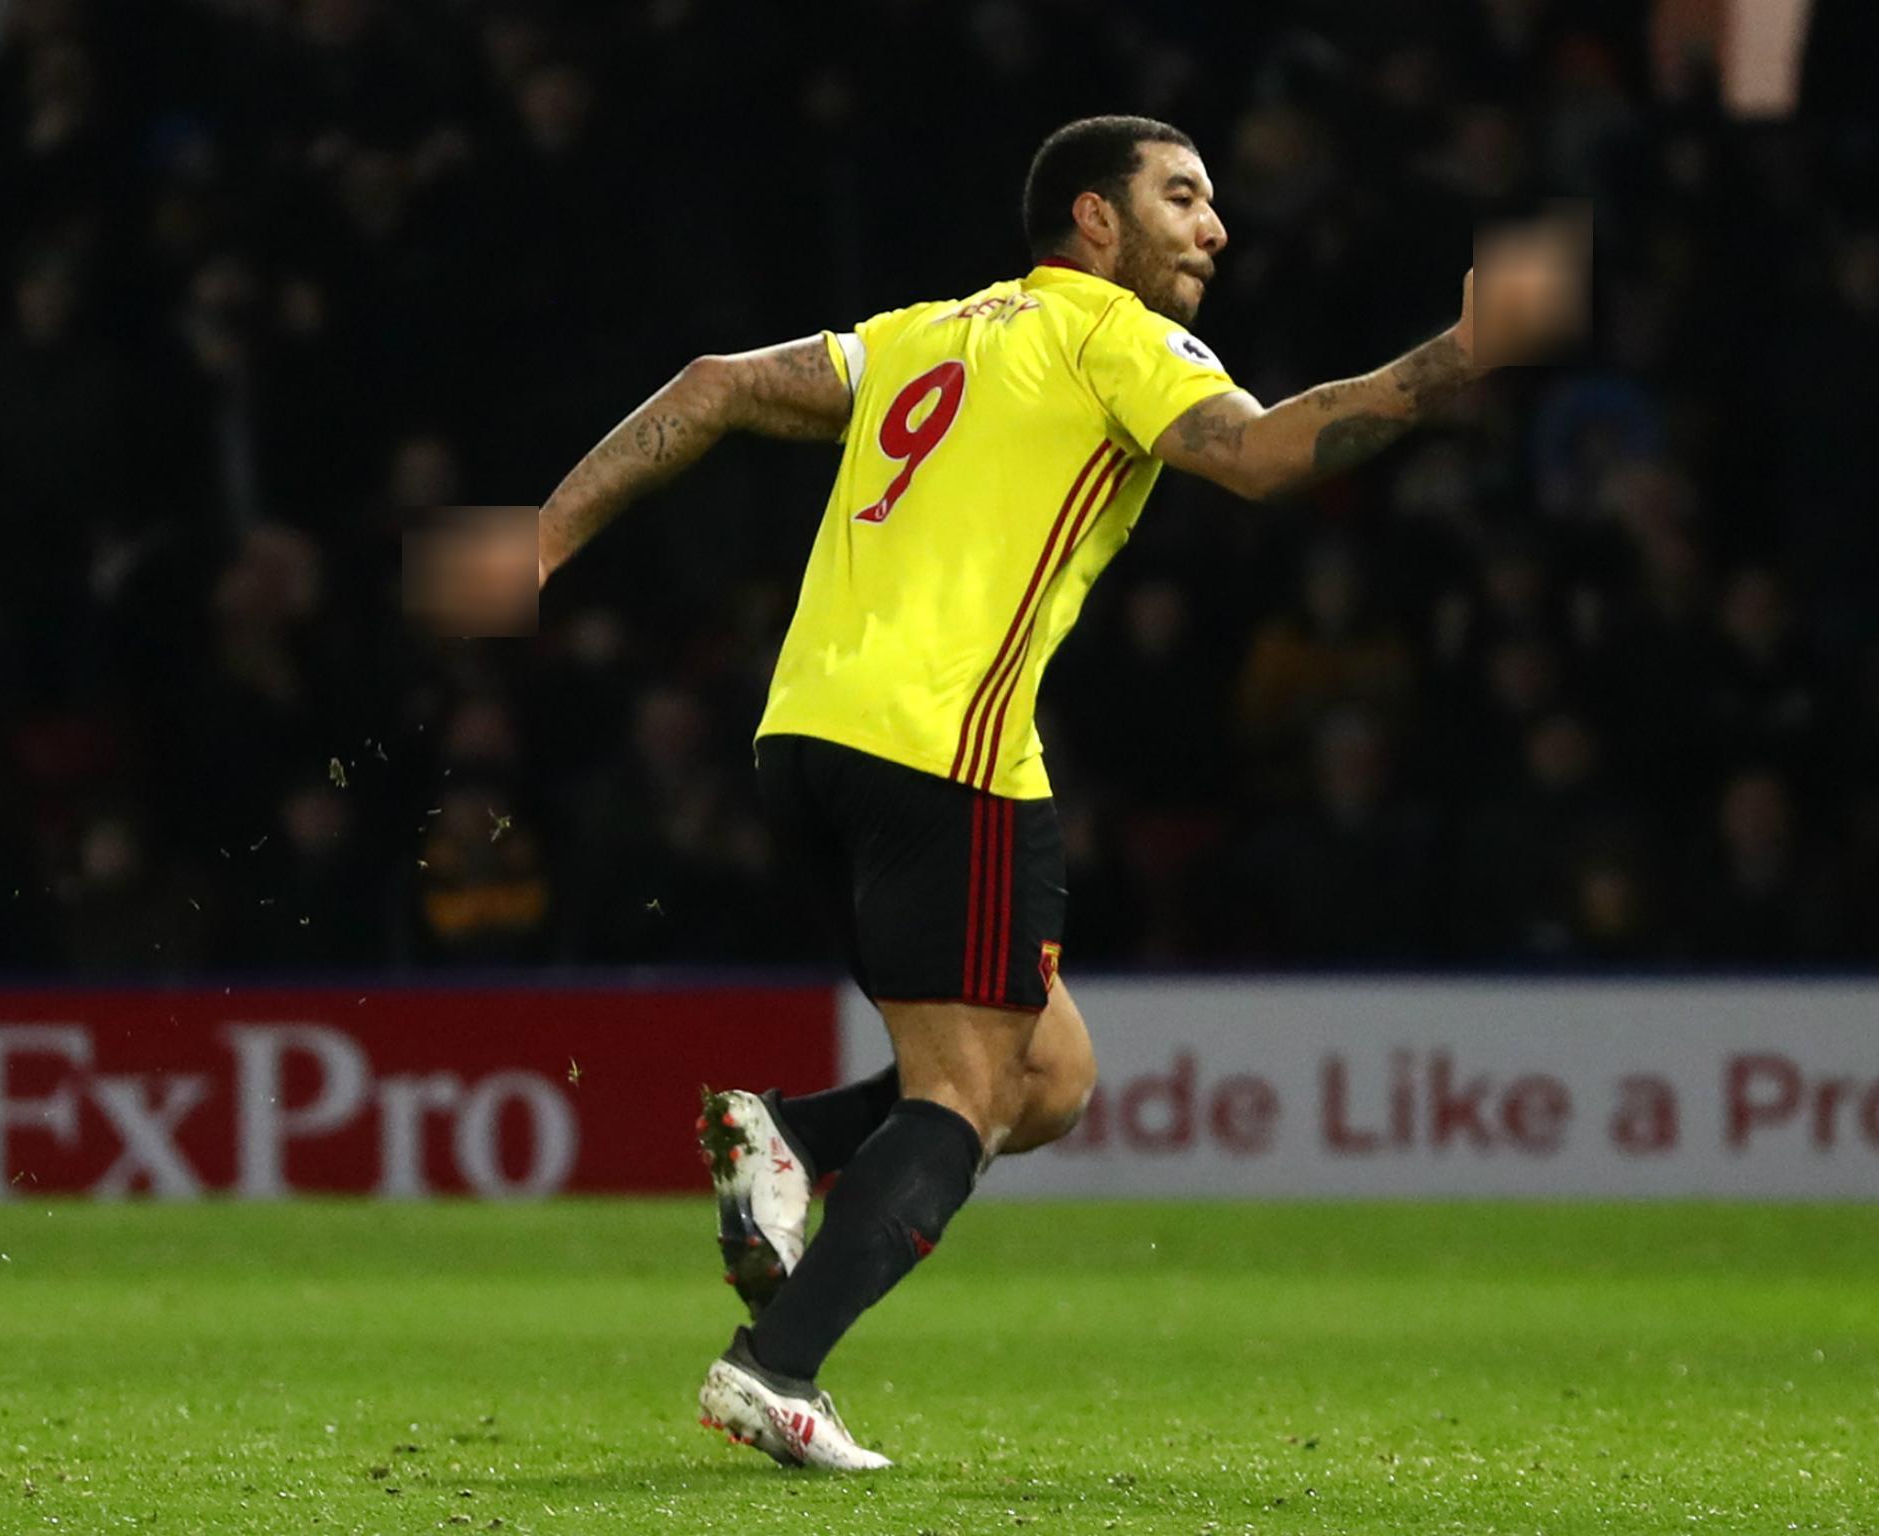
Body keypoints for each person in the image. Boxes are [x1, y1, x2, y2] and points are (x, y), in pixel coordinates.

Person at [534, 115, 1586, 1469]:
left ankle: (785, 1135)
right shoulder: (1115, 337)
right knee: (967, 1098)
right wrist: (1463, 353)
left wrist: (532, 548)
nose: (1216, 228)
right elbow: (1267, 458)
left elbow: (714, 382)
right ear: (1095, 222)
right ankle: (774, 1370)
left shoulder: (923, 331)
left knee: (1056, 1074)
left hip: (803, 737)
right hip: (946, 750)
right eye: (1185, 199)